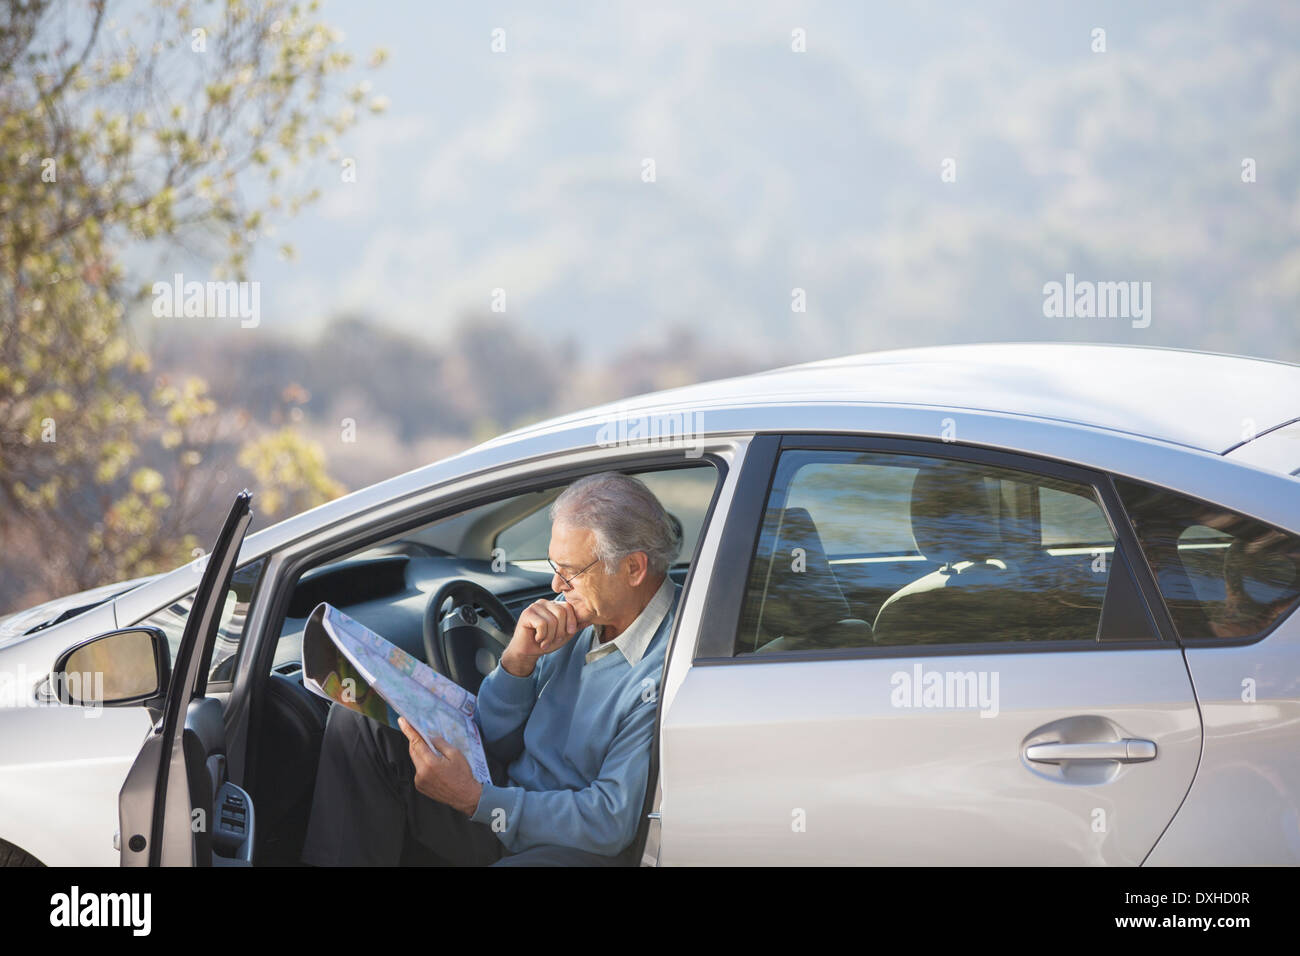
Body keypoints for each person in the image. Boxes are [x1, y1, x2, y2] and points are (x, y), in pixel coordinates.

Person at [300, 471, 682, 866]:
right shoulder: (577, 620)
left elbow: (609, 822)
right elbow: (494, 739)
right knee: (362, 722)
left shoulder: (670, 666)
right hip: (503, 799)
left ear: (634, 569)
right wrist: (517, 664)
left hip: (565, 844)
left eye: (571, 571)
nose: (555, 584)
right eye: (555, 566)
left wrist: (476, 800)